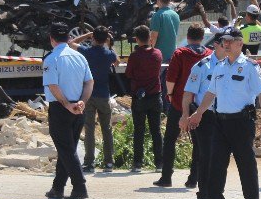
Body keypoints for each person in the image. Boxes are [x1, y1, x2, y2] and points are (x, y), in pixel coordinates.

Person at [188, 26, 261, 199]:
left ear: (239, 44)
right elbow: (210, 93)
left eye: (229, 41)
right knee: (216, 164)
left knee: (246, 165)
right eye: (224, 41)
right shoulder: (220, 66)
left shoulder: (250, 66)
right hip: (220, 121)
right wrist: (198, 113)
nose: (225, 44)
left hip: (241, 122)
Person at [42, 22, 94, 199]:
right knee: (67, 149)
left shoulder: (51, 59)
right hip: (79, 108)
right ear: (69, 39)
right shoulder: (80, 57)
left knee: (66, 149)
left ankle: (80, 187)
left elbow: (53, 85)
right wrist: (82, 102)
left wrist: (65, 104)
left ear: (51, 39)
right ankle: (57, 188)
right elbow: (89, 82)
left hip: (60, 107)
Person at [155, 24, 210, 188]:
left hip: (179, 102)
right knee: (198, 142)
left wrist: (170, 95)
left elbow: (170, 79)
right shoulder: (209, 55)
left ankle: (166, 177)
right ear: (202, 38)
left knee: (170, 139)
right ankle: (194, 178)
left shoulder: (180, 53)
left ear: (188, 36)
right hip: (199, 104)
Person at [181, 33, 228, 199]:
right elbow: (188, 93)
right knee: (206, 156)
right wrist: (185, 115)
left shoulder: (232, 65)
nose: (229, 46)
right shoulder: (202, 66)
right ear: (216, 44)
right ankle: (203, 196)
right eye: (225, 43)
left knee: (221, 159)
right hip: (205, 116)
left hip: (226, 115)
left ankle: (217, 197)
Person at [73, 27, 118, 173]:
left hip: (88, 95)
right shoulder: (109, 54)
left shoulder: (86, 52)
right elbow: (116, 61)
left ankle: (89, 163)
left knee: (89, 129)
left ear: (93, 38)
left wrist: (87, 34)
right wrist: (109, 43)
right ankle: (109, 163)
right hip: (104, 95)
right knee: (107, 129)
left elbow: (71, 42)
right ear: (105, 39)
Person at [124, 25, 163, 173]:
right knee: (156, 131)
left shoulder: (135, 56)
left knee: (139, 131)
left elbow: (128, 73)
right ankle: (159, 163)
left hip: (139, 97)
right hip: (155, 95)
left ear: (136, 39)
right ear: (150, 38)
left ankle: (137, 163)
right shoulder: (157, 54)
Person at [149, 0, 180, 111]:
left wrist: (151, 50)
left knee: (155, 83)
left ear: (158, 0)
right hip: (172, 53)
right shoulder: (175, 15)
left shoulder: (158, 15)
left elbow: (154, 36)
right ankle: (167, 109)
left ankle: (156, 108)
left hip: (160, 55)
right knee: (168, 84)